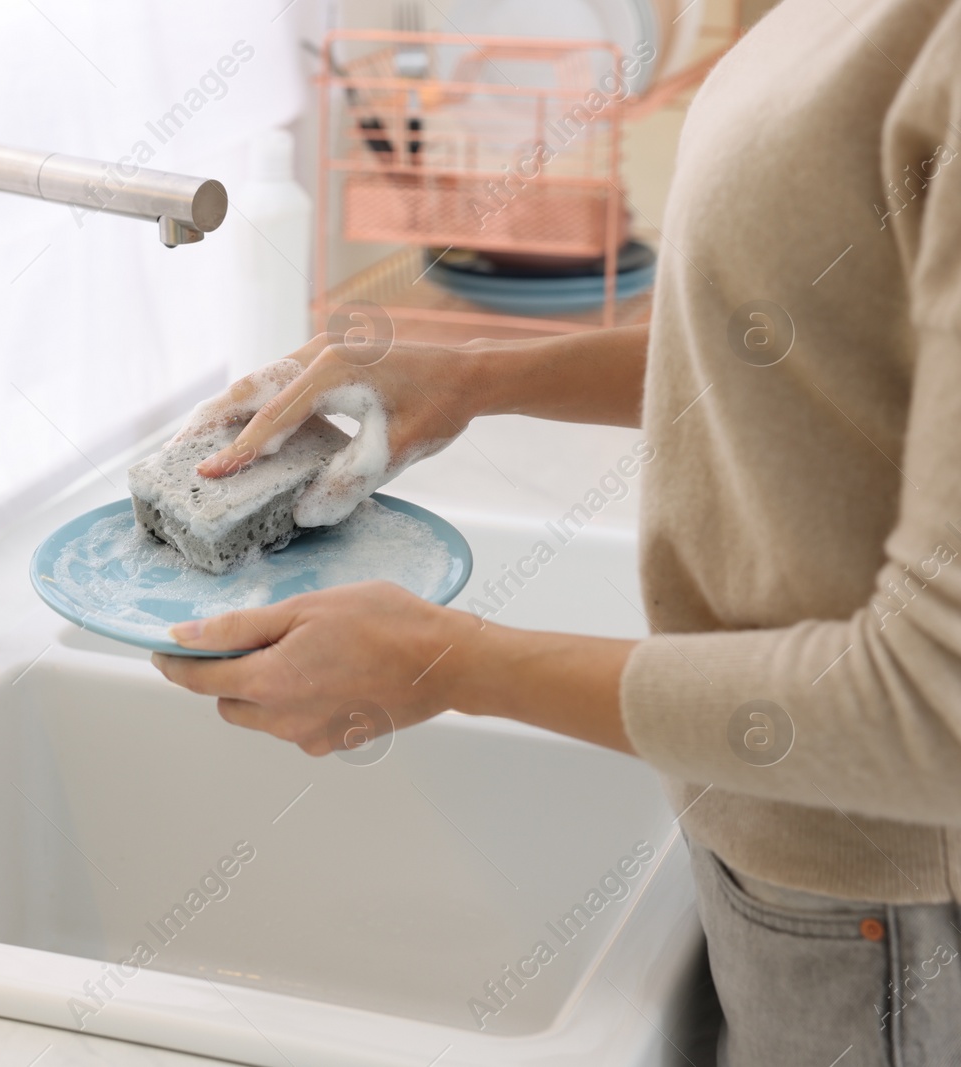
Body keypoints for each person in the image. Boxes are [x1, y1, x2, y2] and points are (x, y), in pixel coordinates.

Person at [149, 1, 961, 1063]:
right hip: (777, 830)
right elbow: (813, 334)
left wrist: (454, 663)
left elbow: (934, 710)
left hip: (877, 895)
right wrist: (485, 372)